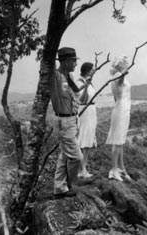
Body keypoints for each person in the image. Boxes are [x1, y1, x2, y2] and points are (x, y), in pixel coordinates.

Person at [50, 47, 91, 198]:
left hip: (73, 119)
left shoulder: (70, 76)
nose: (75, 64)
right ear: (66, 62)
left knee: (65, 155)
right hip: (64, 120)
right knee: (76, 157)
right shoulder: (55, 76)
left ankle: (59, 188)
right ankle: (68, 185)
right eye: (73, 61)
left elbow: (77, 97)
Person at [106, 56, 132, 181]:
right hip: (121, 109)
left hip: (123, 108)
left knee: (120, 140)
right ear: (120, 65)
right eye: (124, 62)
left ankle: (121, 168)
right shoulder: (117, 75)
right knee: (117, 140)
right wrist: (124, 72)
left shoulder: (119, 75)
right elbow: (120, 80)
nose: (126, 64)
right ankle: (113, 169)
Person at [76, 62, 97, 179]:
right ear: (87, 70)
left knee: (88, 141)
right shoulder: (80, 83)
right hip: (84, 111)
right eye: (92, 69)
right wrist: (85, 86)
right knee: (82, 140)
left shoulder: (90, 83)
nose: (94, 71)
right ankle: (81, 169)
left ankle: (84, 168)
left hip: (91, 111)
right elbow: (82, 99)